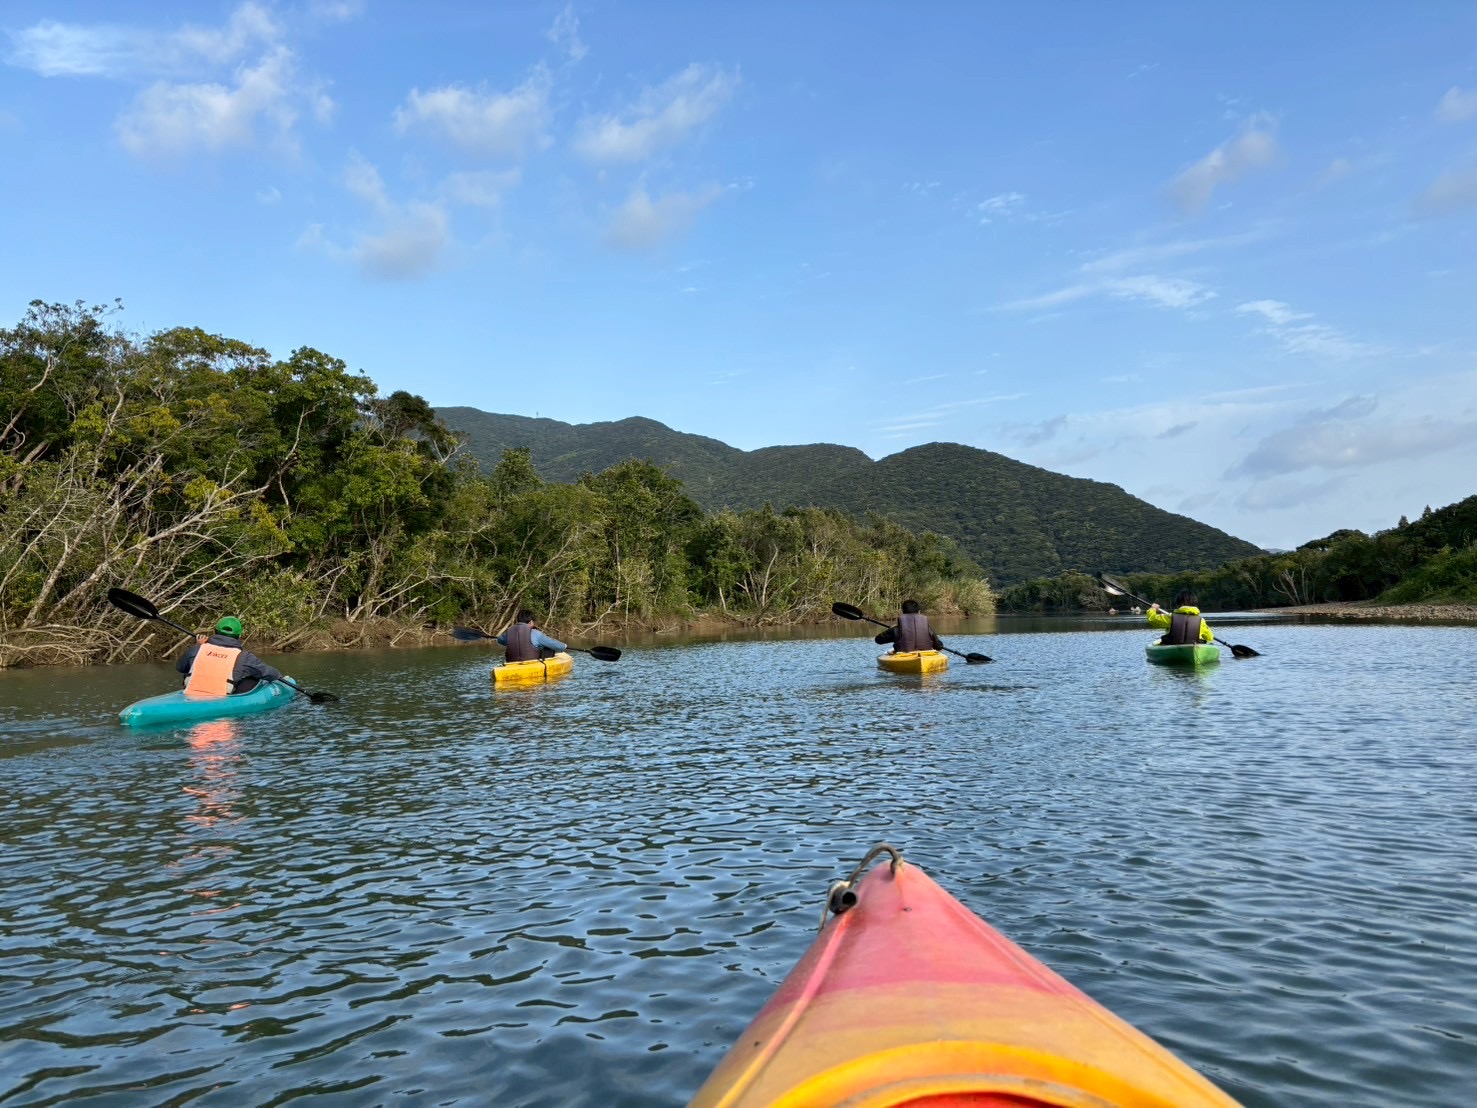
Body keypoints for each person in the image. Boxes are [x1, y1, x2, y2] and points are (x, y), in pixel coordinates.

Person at [176, 616, 282, 697]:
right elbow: (270, 673)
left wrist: (197, 646)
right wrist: (280, 677)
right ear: (239, 636)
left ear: (215, 631)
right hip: (221, 698)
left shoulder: (198, 648)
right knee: (254, 678)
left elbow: (180, 667)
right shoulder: (244, 656)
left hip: (190, 695)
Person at [874, 599, 945, 653]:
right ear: (919, 612)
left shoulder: (895, 630)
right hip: (926, 656)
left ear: (903, 611)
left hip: (903, 657)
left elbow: (878, 640)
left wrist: (892, 631)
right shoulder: (928, 629)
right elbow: (939, 646)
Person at [1146, 590, 1214, 645]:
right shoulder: (1201, 621)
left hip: (1173, 646)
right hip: (1194, 646)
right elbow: (1210, 638)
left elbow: (1152, 619)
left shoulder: (1171, 617)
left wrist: (1153, 609)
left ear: (1178, 604)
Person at [497, 610, 567, 662]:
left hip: (512, 663)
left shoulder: (509, 632)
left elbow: (500, 640)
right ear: (530, 622)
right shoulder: (535, 633)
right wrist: (564, 646)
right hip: (531, 664)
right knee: (548, 648)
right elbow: (554, 644)